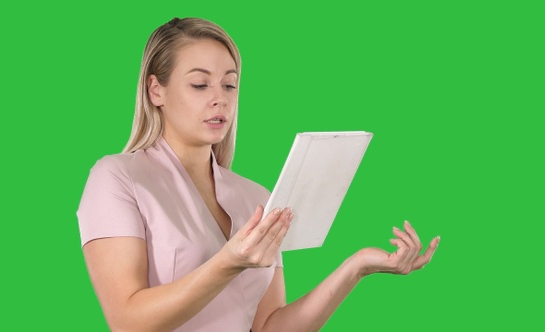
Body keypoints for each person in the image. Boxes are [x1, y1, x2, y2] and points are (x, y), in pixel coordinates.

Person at [77, 17, 440, 332]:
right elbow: (126, 321)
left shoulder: (255, 198)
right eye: (200, 85)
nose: (220, 98)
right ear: (156, 89)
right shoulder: (117, 178)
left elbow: (270, 327)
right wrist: (228, 263)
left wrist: (356, 267)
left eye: (229, 84)